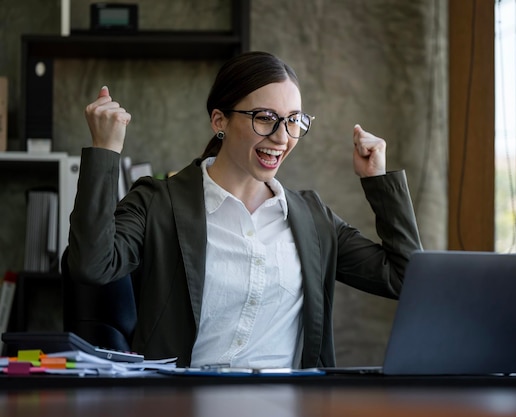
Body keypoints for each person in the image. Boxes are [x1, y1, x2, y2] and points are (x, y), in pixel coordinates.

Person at [67, 51, 423, 369]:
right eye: (265, 118)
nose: (282, 137)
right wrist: (105, 150)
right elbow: (92, 265)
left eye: (294, 120)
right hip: (181, 404)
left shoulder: (312, 219)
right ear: (219, 120)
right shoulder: (158, 203)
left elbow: (405, 279)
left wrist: (378, 181)